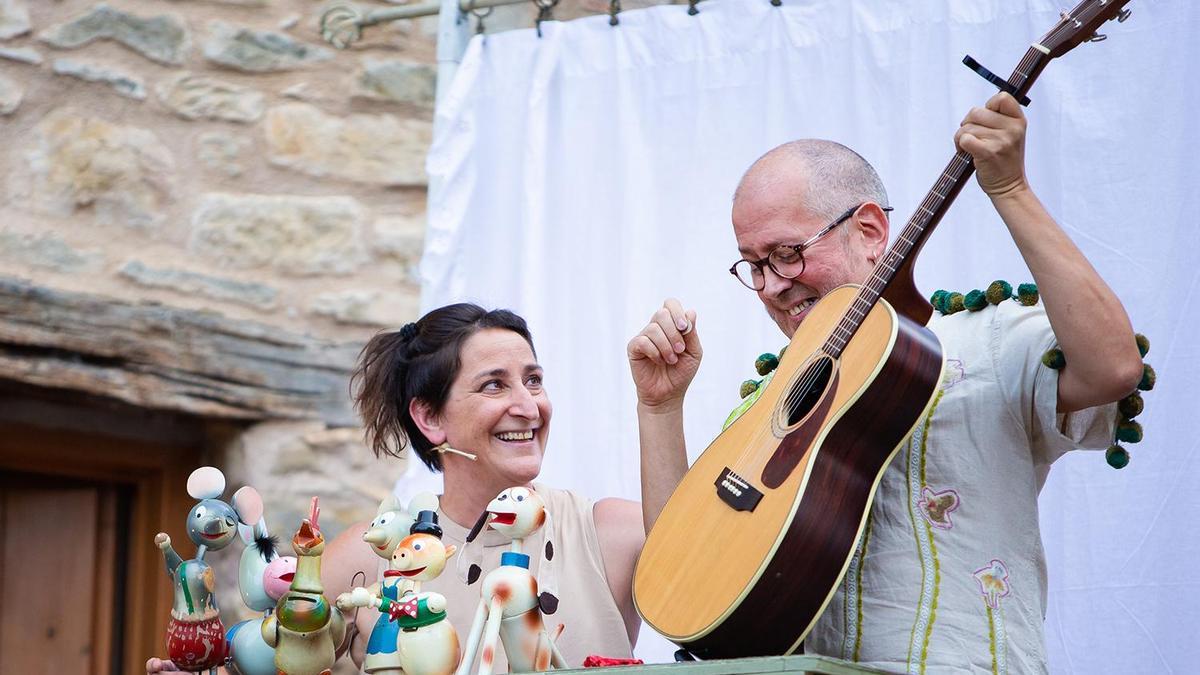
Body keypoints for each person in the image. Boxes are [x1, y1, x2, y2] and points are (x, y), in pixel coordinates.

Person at [628, 92, 1143, 673]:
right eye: (754, 264)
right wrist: (659, 408)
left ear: (871, 229)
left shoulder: (986, 336)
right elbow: (682, 575)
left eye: (787, 253)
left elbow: (1112, 369)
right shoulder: (775, 395)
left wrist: (1011, 191)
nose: (771, 285)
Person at [323, 303, 645, 672]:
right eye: (495, 385)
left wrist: (659, 407)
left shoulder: (606, 532)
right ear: (429, 417)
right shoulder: (369, 557)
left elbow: (705, 576)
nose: (529, 406)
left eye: (533, 380)